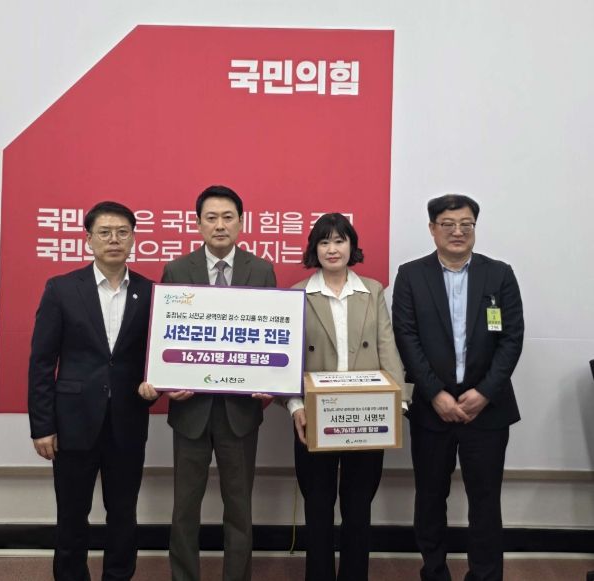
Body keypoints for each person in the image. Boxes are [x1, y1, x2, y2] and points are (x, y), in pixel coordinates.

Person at [139, 185, 276, 581]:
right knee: (185, 508)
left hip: (240, 412)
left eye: (228, 217)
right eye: (211, 218)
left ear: (241, 223)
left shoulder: (260, 270)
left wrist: (269, 379)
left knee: (240, 508)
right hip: (191, 410)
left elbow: (270, 333)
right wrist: (167, 382)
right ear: (198, 224)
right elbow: (166, 334)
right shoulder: (177, 270)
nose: (220, 225)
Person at [392, 194, 524, 581]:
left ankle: (485, 575)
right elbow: (406, 338)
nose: (458, 231)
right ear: (432, 229)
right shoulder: (411, 275)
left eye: (466, 224)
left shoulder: (499, 274)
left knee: (485, 500)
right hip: (432, 410)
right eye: (448, 224)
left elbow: (512, 338)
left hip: (488, 409)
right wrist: (436, 394)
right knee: (431, 498)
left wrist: (484, 393)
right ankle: (434, 571)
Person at [28, 201, 156, 581]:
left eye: (122, 232)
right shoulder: (62, 289)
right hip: (73, 424)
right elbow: (41, 363)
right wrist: (42, 426)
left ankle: (118, 576)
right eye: (105, 232)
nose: (114, 239)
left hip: (127, 422)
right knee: (71, 515)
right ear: (89, 240)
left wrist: (157, 388)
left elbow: (157, 358)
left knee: (123, 514)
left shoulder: (151, 292)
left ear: (133, 239)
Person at [286, 212, 406, 581]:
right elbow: (288, 360)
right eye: (324, 242)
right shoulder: (297, 294)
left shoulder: (372, 290)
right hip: (314, 416)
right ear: (314, 249)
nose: (332, 249)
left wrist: (397, 404)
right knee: (318, 506)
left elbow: (387, 347)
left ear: (351, 246)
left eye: (339, 240)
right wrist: (295, 407)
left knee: (358, 506)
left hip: (366, 414)